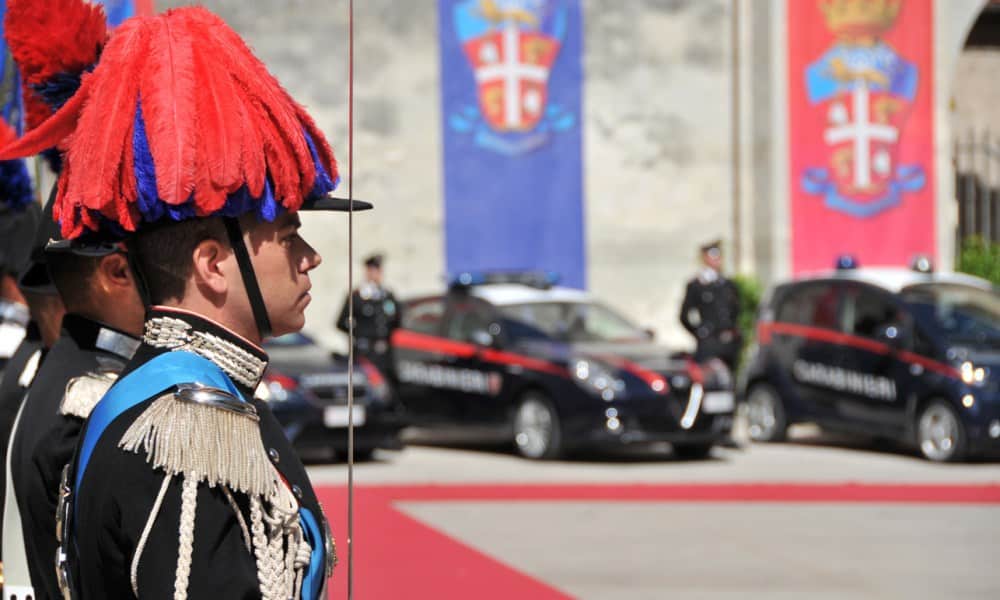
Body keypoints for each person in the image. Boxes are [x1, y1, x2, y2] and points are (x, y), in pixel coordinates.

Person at [0, 5, 369, 598]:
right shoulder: (186, 435)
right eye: (288, 235)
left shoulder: (199, 402)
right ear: (212, 265)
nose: (310, 256)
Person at [679, 239, 742, 372]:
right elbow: (684, 316)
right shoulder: (697, 285)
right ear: (705, 258)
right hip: (708, 342)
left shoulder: (728, 284)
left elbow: (736, 311)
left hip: (728, 343)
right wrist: (700, 333)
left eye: (718, 256)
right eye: (712, 256)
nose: (716, 260)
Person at [336, 252, 402, 378]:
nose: (375, 274)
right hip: (363, 352)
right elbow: (340, 323)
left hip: (384, 354)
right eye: (372, 270)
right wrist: (359, 335)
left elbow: (396, 320)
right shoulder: (356, 296)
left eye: (378, 270)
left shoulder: (387, 295)